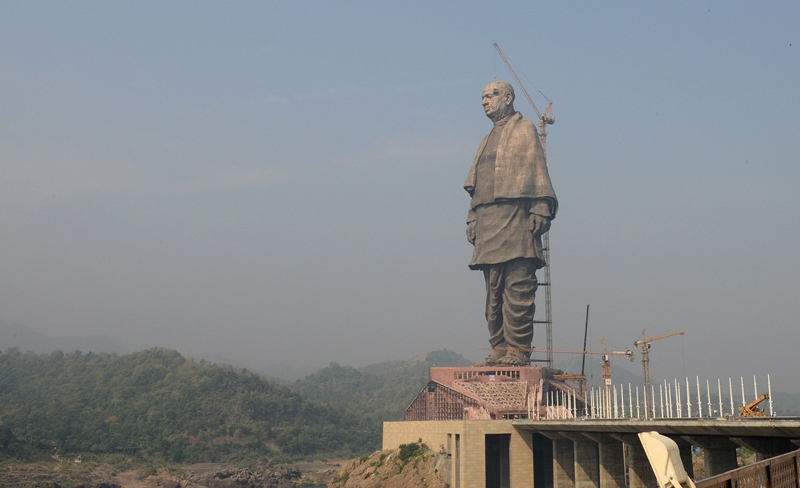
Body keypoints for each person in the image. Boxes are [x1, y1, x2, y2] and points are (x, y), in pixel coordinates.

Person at [464, 81, 558, 366]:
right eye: (482, 96)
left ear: (507, 98)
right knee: (493, 291)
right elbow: (477, 182)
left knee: (518, 285)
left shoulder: (525, 128)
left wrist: (540, 206)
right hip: (488, 219)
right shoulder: (486, 138)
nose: (484, 101)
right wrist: (472, 217)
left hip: (516, 215)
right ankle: (500, 346)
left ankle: (518, 348)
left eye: (491, 95)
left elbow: (537, 169)